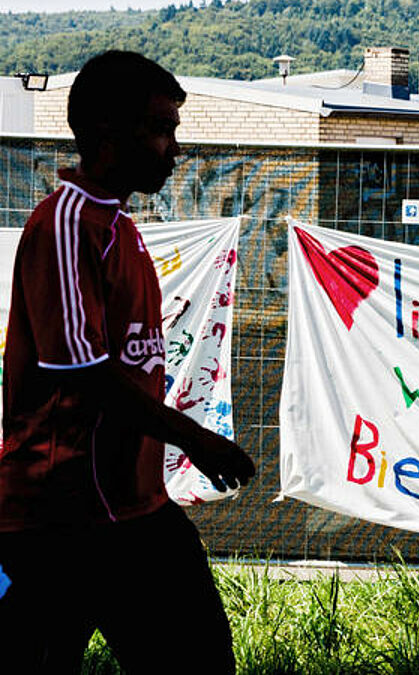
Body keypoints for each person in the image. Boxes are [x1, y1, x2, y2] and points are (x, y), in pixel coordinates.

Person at [0, 51, 255, 673]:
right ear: (108, 132)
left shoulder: (122, 226)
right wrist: (198, 438)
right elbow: (82, 374)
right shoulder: (64, 225)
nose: (173, 148)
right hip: (61, 516)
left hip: (134, 506)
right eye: (160, 129)